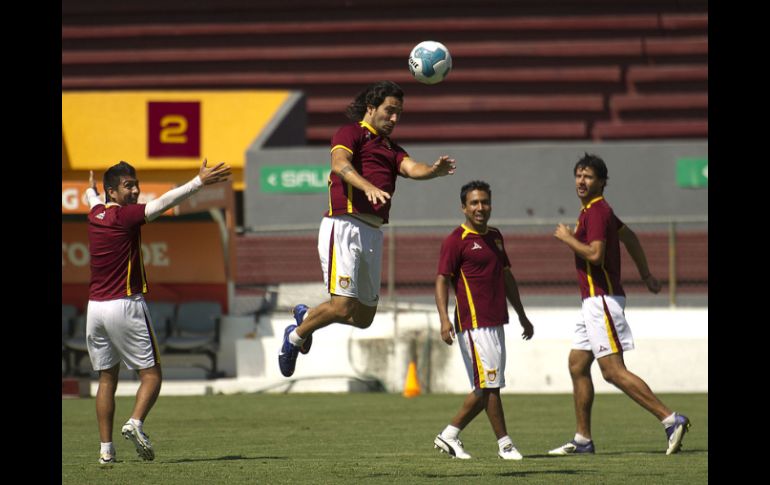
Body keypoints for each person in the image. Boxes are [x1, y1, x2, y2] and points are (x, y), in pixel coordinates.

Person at [278, 80, 457, 377]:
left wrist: (433, 171)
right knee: (342, 305)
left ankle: (306, 316)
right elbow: (339, 164)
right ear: (371, 108)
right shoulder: (351, 133)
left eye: (399, 113)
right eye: (390, 111)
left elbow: (413, 168)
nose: (394, 118)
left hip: (372, 232)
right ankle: (294, 337)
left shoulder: (391, 149)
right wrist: (367, 186)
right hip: (344, 224)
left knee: (363, 318)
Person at [84, 159, 231, 464]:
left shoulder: (95, 212)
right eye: (129, 186)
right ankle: (135, 422)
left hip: (94, 309)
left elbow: (92, 199)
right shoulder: (125, 217)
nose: (136, 190)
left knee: (106, 379)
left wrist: (90, 190)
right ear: (112, 191)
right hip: (125, 304)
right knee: (152, 375)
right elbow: (164, 203)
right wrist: (198, 182)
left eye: (135, 184)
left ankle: (106, 451)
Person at [548, 153, 690, 456]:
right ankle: (583, 440)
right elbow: (631, 238)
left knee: (612, 370)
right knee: (577, 364)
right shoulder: (596, 211)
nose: (581, 181)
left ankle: (670, 419)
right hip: (592, 302)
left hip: (602, 300)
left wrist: (568, 238)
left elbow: (596, 255)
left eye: (588, 176)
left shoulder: (597, 211)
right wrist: (647, 275)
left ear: (602, 182)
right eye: (578, 175)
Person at [433, 180, 534, 460]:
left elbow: (506, 276)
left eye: (485, 202)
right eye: (474, 203)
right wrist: (443, 320)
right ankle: (505, 445)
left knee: (486, 386)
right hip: (473, 325)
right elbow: (442, 280)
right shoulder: (456, 240)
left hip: (496, 322)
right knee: (490, 386)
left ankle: (449, 435)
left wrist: (522, 315)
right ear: (463, 207)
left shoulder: (495, 236)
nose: (480, 208)